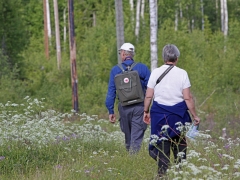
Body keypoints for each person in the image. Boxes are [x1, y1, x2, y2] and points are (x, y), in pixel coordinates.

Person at [143, 44, 200, 175]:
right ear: (177, 58)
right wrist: (195, 115)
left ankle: (162, 175)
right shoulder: (182, 73)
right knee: (180, 145)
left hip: (159, 116)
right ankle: (180, 173)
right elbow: (188, 98)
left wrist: (145, 111)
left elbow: (149, 95)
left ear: (164, 58)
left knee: (163, 145)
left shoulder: (155, 72)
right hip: (178, 115)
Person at [105, 42, 151, 153]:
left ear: (124, 54)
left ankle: (130, 158)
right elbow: (151, 88)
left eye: (120, 53)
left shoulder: (115, 70)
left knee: (128, 137)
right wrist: (148, 107)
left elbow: (111, 92)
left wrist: (111, 111)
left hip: (124, 108)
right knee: (136, 137)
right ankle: (132, 160)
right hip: (140, 107)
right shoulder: (142, 68)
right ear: (132, 54)